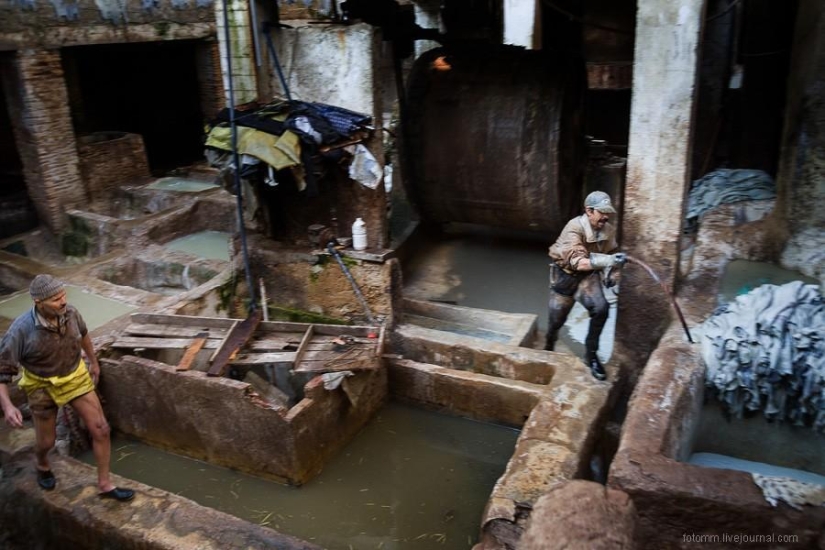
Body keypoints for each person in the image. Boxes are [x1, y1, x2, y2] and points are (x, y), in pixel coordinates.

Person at [0, 274, 134, 502]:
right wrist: (8, 406)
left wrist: (92, 360)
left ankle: (105, 484)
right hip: (41, 383)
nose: (62, 301)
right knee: (46, 442)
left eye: (63, 295)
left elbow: (84, 335)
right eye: (55, 299)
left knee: (101, 428)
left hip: (74, 376)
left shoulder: (70, 313)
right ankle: (42, 464)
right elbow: (3, 370)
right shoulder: (20, 331)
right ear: (38, 303)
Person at [545, 191, 626, 381]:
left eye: (608, 212)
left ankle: (591, 355)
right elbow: (579, 262)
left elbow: (613, 254)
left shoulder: (608, 230)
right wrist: (609, 261)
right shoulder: (573, 228)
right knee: (557, 319)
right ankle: (549, 343)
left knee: (602, 309)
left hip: (587, 278)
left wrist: (613, 273)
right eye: (602, 212)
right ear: (589, 211)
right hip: (565, 276)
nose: (606, 216)